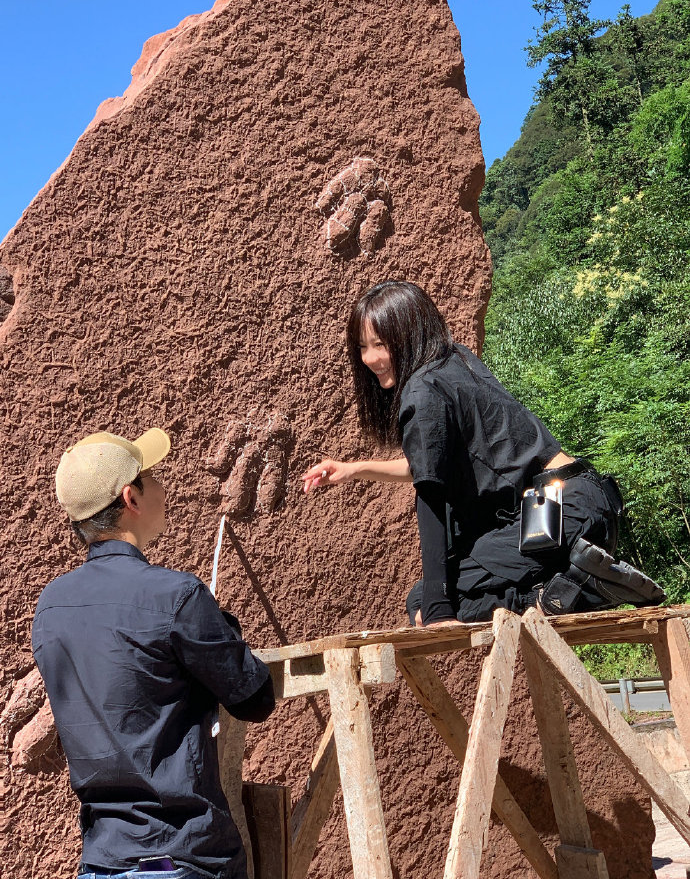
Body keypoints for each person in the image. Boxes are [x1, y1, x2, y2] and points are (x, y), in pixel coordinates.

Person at [302, 280, 624, 626]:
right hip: (586, 499)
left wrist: (439, 607)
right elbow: (428, 464)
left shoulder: (422, 390)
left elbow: (431, 495)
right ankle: (576, 581)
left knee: (426, 601)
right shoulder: (455, 361)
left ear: (409, 334)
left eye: (380, 344)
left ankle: (572, 594)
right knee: (428, 595)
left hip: (552, 518)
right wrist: (354, 469)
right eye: (363, 347)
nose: (370, 359)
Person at [32, 428, 274, 879]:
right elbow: (255, 698)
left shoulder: (51, 607)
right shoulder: (175, 596)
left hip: (102, 861)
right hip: (183, 856)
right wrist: (221, 628)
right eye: (152, 476)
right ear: (131, 498)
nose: (163, 486)